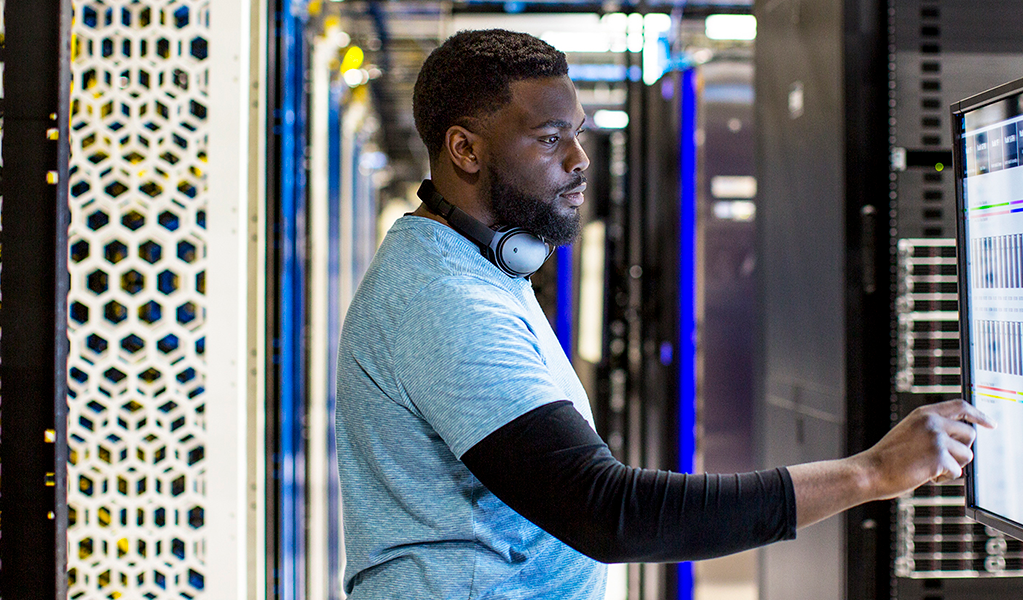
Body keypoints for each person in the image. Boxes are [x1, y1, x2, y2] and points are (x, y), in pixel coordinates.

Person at [334, 29, 993, 599]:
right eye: (549, 137)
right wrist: (869, 474)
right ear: (465, 150)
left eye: (579, 134)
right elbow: (609, 511)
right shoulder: (447, 303)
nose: (578, 159)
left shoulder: (475, 268)